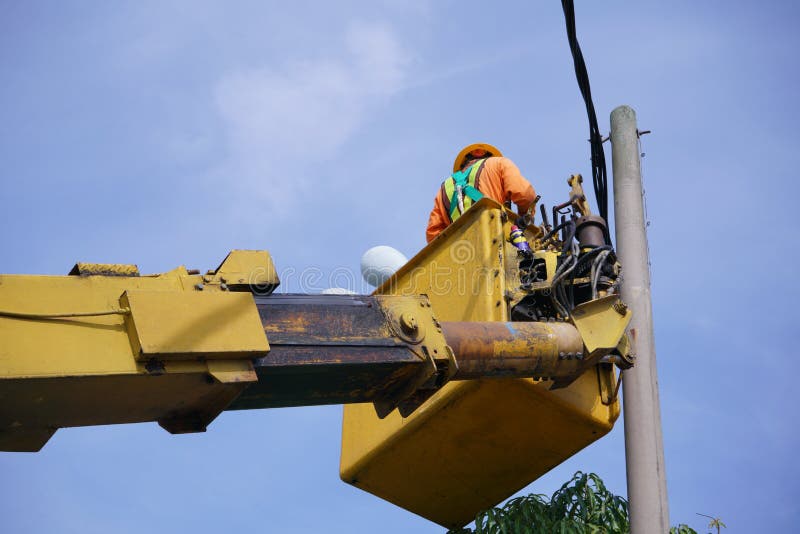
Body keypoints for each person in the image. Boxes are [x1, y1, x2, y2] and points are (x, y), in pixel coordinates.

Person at [426, 143, 537, 243]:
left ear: (463, 162)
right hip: (496, 241)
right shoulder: (499, 163)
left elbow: (433, 234)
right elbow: (525, 194)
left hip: (463, 251)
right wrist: (524, 219)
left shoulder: (444, 188)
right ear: (490, 156)